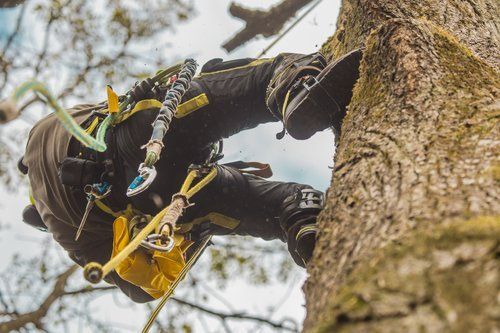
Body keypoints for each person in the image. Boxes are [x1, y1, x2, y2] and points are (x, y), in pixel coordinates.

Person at [18, 49, 362, 302]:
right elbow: (125, 104)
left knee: (264, 203)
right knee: (258, 82)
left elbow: (138, 289)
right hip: (144, 137)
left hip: (160, 202)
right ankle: (294, 87)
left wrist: (187, 242)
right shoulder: (40, 134)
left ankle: (303, 221)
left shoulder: (70, 237)